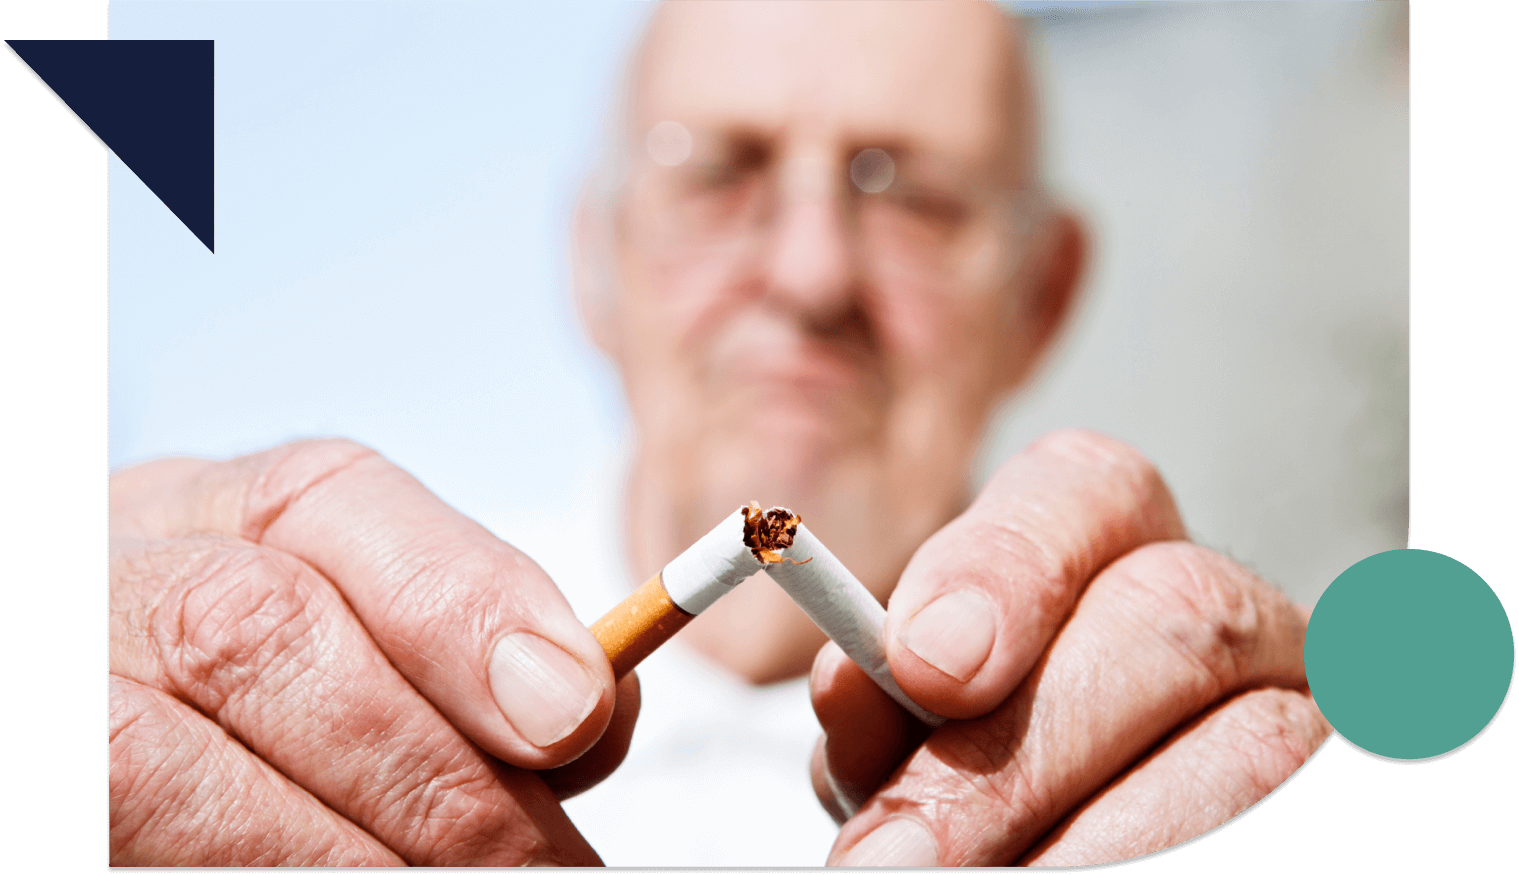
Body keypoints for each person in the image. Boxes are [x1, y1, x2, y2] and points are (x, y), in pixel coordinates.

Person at [107, 0, 1330, 866]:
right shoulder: (328, 693)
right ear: (596, 260)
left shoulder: (1167, 746)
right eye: (718, 173)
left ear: (1042, 295)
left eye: (908, 189)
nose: (807, 272)